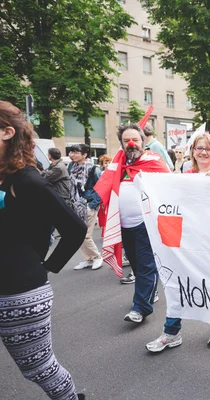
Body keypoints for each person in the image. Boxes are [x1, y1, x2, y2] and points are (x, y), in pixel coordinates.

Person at [0, 101, 87, 400]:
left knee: (38, 368)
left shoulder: (28, 179)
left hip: (19, 292)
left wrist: (46, 266)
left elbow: (76, 227)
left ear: (7, 133)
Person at [146, 133, 210, 352]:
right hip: (185, 241)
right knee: (177, 284)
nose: (203, 152)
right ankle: (171, 332)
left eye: (208, 149)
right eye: (199, 148)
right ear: (192, 151)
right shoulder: (185, 174)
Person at [95, 123, 170, 323]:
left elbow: (170, 188)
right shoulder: (118, 165)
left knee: (146, 265)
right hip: (123, 224)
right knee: (136, 264)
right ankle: (149, 292)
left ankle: (140, 308)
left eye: (135, 140)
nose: (131, 144)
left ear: (143, 142)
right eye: (127, 140)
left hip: (146, 224)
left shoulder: (154, 161)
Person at [68, 143, 103, 271]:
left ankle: (97, 256)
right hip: (76, 204)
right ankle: (88, 259)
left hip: (88, 204)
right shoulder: (72, 166)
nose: (72, 155)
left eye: (76, 152)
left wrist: (92, 205)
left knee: (85, 235)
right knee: (78, 234)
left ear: (84, 154)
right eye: (71, 152)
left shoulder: (93, 169)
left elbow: (101, 188)